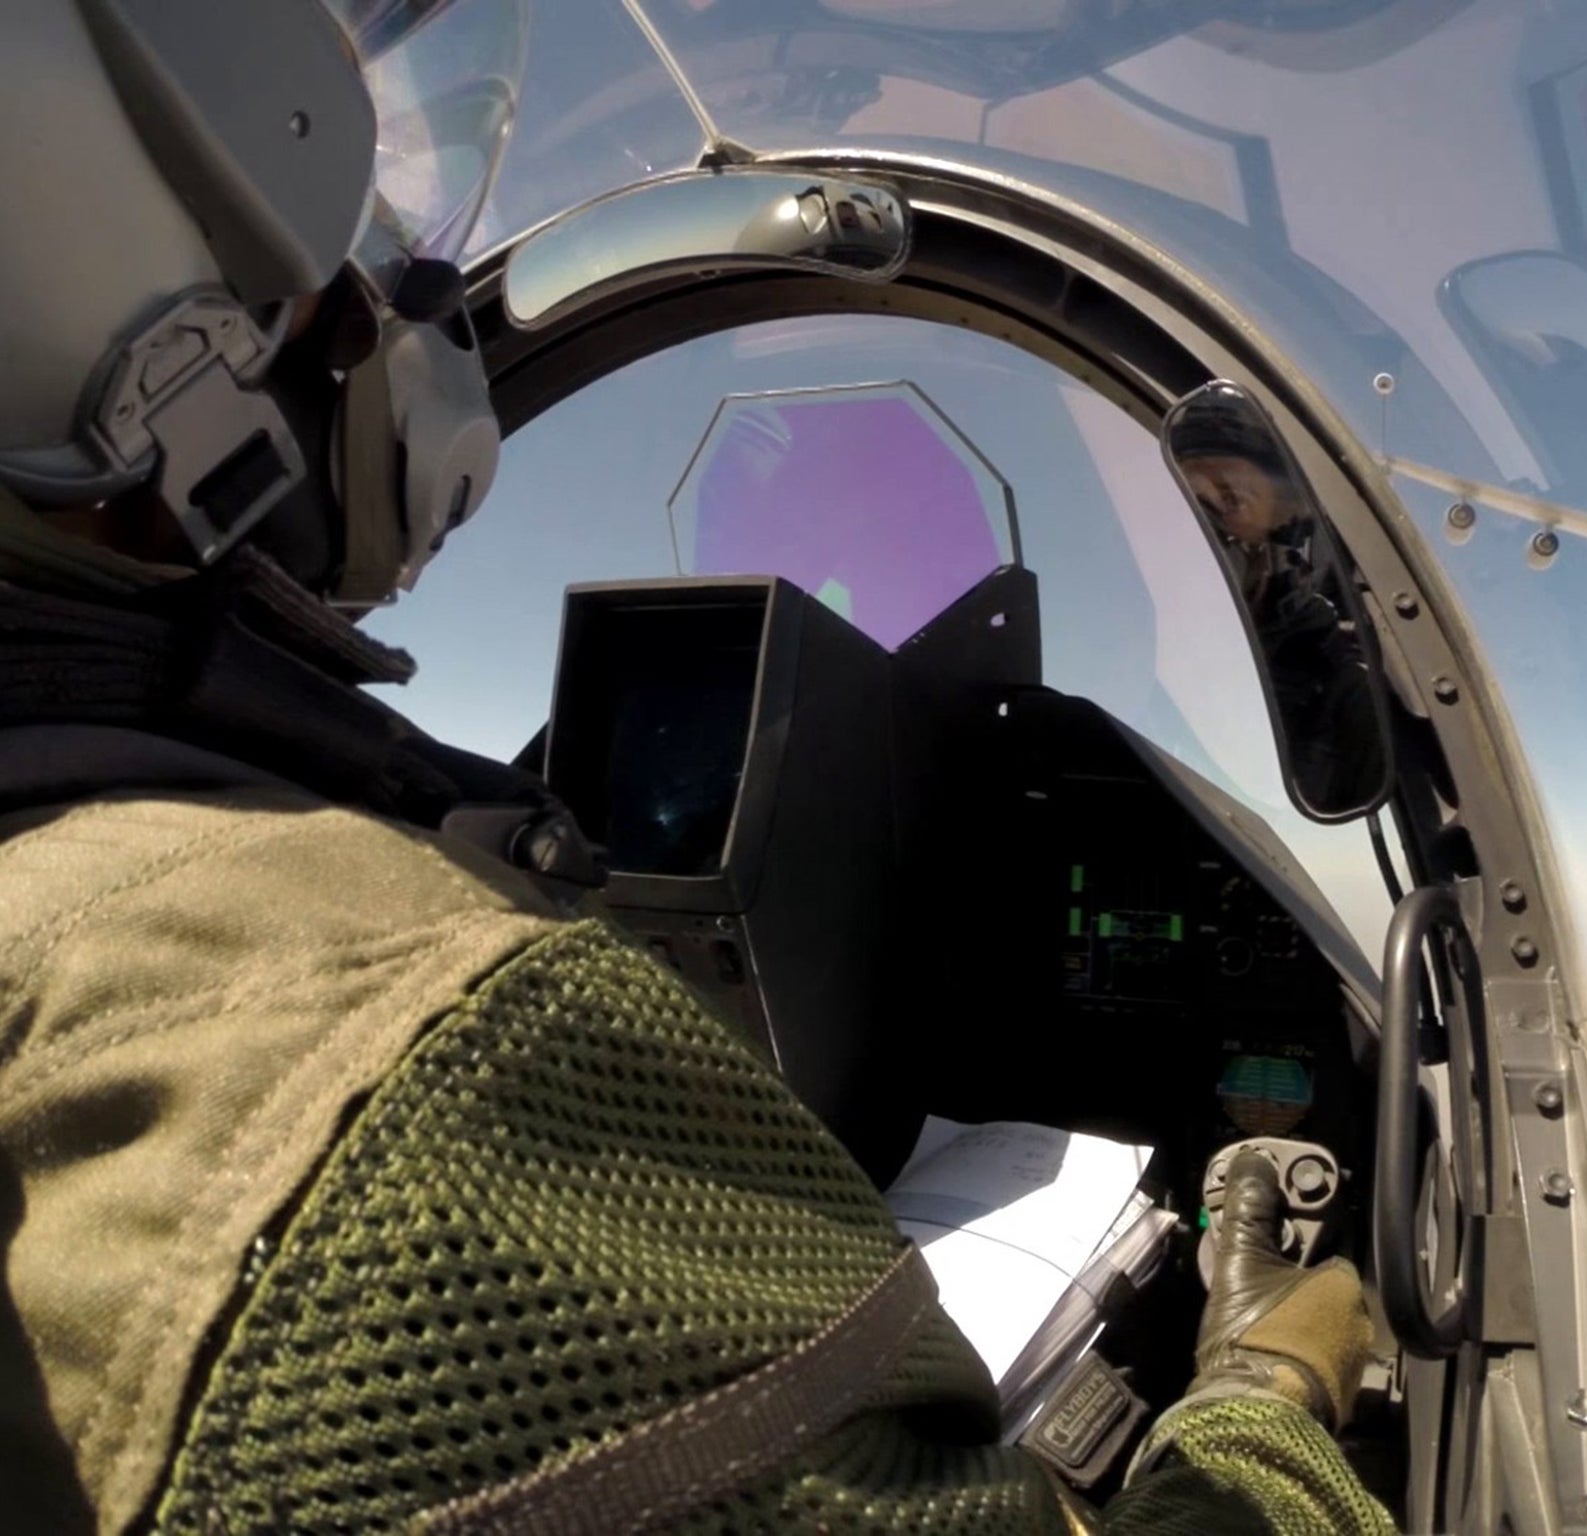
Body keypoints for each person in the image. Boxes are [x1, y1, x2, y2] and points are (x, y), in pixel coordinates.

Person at [0, 3, 1398, 1532]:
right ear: (139, 328)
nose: (391, 316)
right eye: (347, 247)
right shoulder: (368, 1060)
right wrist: (1267, 1398)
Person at [1171, 396, 1389, 813]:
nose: (1196, 527)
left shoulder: (1342, 696)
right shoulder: (1132, 652)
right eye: (1182, 498)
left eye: (1229, 499)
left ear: (1277, 544)